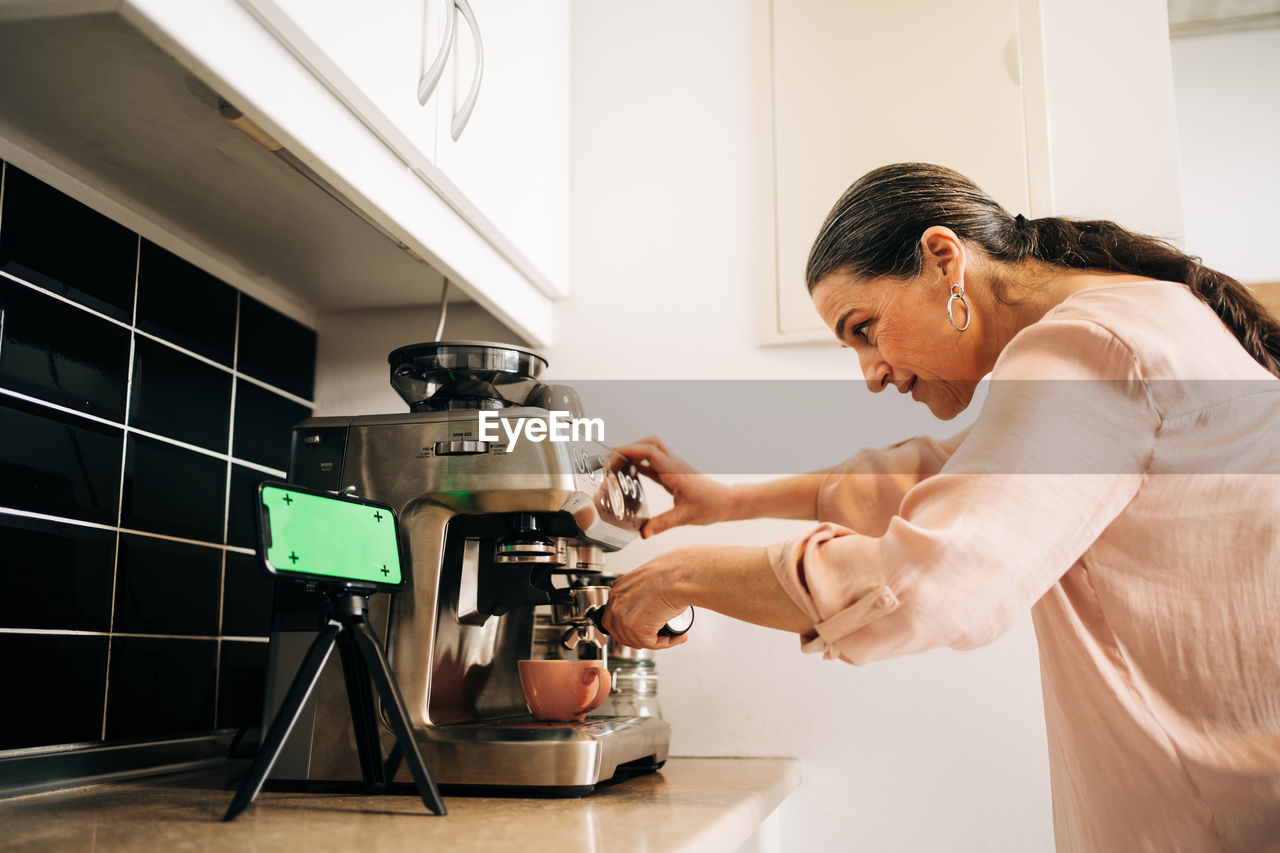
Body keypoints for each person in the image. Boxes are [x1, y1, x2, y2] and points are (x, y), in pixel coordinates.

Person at [599, 163, 1280, 852]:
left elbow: (926, 583)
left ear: (943, 259)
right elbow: (934, 471)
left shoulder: (1093, 346)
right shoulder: (1142, 319)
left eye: (864, 328)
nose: (872, 375)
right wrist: (726, 501)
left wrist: (679, 576)